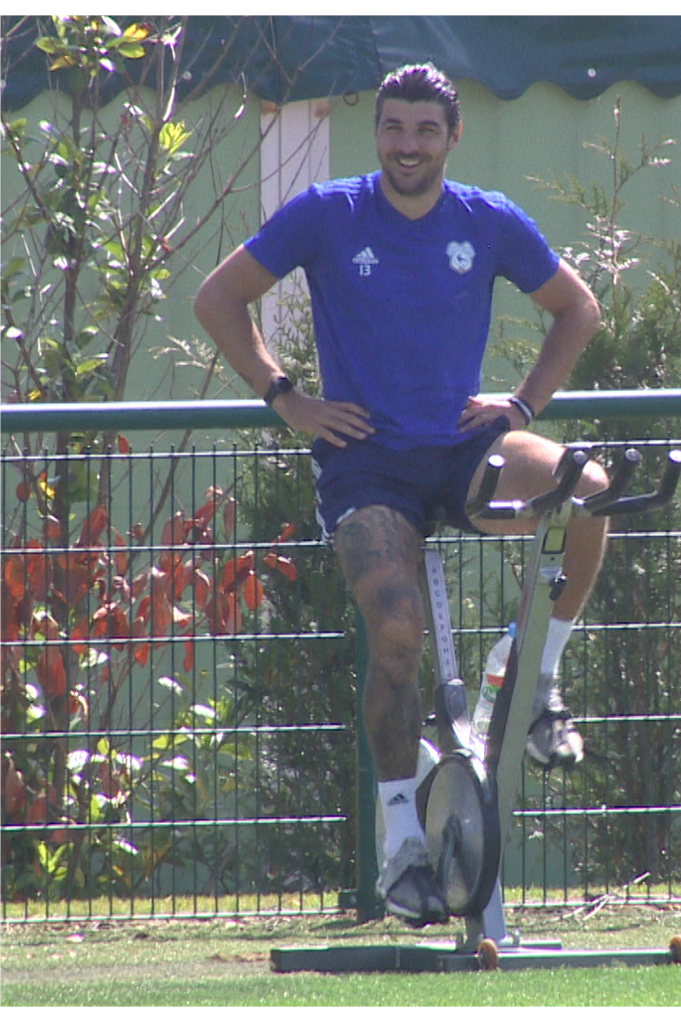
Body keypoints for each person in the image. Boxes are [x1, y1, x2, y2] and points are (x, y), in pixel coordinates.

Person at [194, 63, 607, 927]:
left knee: (589, 491)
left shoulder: (489, 220)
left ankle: (533, 678)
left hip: (464, 448)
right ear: (375, 131)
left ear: (452, 137)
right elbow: (219, 299)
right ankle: (400, 850)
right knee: (394, 639)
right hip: (366, 466)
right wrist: (287, 398)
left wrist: (523, 405)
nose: (407, 144)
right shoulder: (327, 212)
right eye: (393, 127)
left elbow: (577, 309)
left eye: (425, 129)